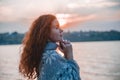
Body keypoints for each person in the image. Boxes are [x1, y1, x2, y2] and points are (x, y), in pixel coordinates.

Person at [19, 14, 81, 80]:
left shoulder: (43, 54)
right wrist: (69, 55)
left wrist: (65, 55)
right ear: (46, 32)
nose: (61, 30)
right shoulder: (51, 57)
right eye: (56, 27)